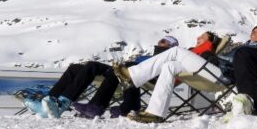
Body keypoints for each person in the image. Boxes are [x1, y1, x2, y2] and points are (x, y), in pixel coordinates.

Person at [20, 35, 179, 119]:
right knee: (76, 68)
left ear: (171, 46)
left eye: (164, 41)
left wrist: (130, 67)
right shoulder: (152, 56)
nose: (160, 41)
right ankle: (49, 101)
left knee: (91, 66)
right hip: (124, 70)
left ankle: (62, 103)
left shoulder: (166, 59)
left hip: (132, 74)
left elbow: (161, 75)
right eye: (160, 39)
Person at [112, 30, 226, 123]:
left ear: (210, 41)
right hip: (201, 73)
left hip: (216, 76)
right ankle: (155, 113)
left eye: (202, 37)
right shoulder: (194, 53)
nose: (197, 38)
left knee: (175, 50)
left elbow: (214, 63)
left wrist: (204, 54)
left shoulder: (207, 52)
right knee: (169, 66)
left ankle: (131, 75)